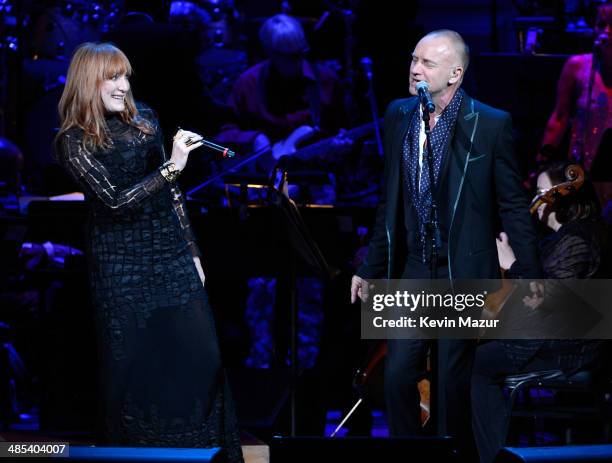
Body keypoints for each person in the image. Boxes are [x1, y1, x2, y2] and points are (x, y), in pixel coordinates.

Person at [350, 29, 541, 457]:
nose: (416, 69)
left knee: (452, 380)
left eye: (428, 63)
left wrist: (530, 276)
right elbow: (389, 201)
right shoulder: (399, 114)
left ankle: (453, 454)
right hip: (415, 266)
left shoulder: (490, 123)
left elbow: (512, 205)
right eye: (413, 60)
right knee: (397, 373)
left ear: (455, 72)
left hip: (463, 270)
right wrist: (371, 268)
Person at [54, 42, 243, 461]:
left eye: (125, 76)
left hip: (170, 253)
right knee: (136, 371)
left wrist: (192, 251)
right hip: (120, 264)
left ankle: (207, 453)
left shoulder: (145, 122)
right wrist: (172, 165)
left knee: (201, 357)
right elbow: (116, 202)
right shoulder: (73, 141)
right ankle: (141, 455)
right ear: (90, 80)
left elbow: (172, 195)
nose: (123, 85)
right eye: (113, 76)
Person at [472, 162, 607, 463]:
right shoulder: (569, 236)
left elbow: (554, 300)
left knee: (475, 365)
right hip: (561, 338)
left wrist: (512, 264)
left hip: (571, 346)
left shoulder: (578, 238)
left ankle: (493, 457)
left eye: (541, 193)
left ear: (563, 195)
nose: (536, 201)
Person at [216, 13, 346, 158]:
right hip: (266, 177)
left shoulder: (326, 80)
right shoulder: (248, 84)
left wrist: (342, 144)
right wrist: (253, 139)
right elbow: (224, 135)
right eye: (290, 57)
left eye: (301, 53)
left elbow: (343, 128)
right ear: (270, 53)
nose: (298, 62)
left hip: (318, 173)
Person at [540, 3, 612, 172]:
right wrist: (541, 162)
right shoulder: (577, 66)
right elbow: (559, 118)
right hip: (582, 171)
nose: (606, 32)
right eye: (601, 25)